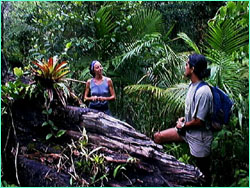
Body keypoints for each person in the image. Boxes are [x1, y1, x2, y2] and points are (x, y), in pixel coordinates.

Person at [154, 54, 213, 186]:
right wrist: (183, 120)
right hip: (187, 131)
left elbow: (200, 121)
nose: (184, 67)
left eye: (187, 64)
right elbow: (193, 113)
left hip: (200, 137)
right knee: (158, 137)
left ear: (192, 69)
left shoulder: (204, 91)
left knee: (203, 174)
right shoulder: (192, 86)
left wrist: (183, 125)